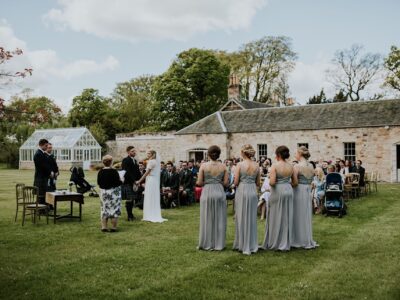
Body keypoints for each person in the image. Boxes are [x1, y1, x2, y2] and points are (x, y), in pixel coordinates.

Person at [261, 145, 296, 251]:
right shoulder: (291, 166)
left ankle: (275, 241)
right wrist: (286, 183)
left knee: (275, 215)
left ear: (278, 155)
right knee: (286, 215)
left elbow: (271, 182)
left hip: (278, 191)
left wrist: (274, 180)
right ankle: (285, 240)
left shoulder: (274, 166)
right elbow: (295, 182)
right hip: (288, 190)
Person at [197, 145, 229, 251]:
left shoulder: (203, 166)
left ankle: (207, 242)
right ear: (219, 154)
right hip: (219, 191)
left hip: (207, 192)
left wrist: (207, 181)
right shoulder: (224, 166)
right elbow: (226, 183)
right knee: (220, 218)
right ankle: (219, 243)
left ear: (208, 154)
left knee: (207, 217)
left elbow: (199, 182)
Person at [232, 144, 261, 255]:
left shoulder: (239, 165)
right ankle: (251, 243)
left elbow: (235, 182)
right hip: (252, 190)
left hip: (242, 190)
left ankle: (242, 244)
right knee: (251, 217)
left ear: (243, 153)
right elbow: (258, 183)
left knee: (241, 216)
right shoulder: (257, 165)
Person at [292, 146, 319, 249]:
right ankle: (305, 238)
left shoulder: (297, 166)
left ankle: (298, 239)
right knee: (305, 214)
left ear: (300, 154)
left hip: (298, 191)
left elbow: (294, 183)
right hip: (307, 191)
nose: (295, 155)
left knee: (298, 214)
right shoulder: (311, 166)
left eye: (296, 153)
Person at [136, 150, 167, 223]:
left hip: (151, 180)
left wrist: (139, 181)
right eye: (147, 153)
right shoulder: (156, 162)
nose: (147, 154)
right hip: (154, 181)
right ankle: (152, 213)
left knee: (150, 196)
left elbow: (146, 173)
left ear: (153, 154)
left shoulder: (151, 162)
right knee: (153, 196)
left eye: (149, 153)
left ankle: (150, 215)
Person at [97, 155, 122, 232]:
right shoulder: (114, 172)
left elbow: (99, 183)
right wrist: (122, 180)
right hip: (113, 193)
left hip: (104, 193)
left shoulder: (100, 172)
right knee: (114, 209)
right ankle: (114, 227)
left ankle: (104, 227)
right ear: (111, 162)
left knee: (104, 209)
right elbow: (118, 182)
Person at [121, 146, 141, 221]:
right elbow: (126, 172)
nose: (134, 152)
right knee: (129, 199)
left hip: (135, 182)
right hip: (128, 182)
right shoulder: (125, 160)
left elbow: (137, 172)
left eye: (134, 151)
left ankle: (131, 214)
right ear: (128, 152)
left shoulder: (135, 160)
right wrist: (133, 181)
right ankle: (129, 216)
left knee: (132, 199)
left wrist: (139, 180)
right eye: (132, 151)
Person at [33, 139, 52, 205]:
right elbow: (43, 167)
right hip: (40, 178)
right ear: (41, 145)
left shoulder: (41, 153)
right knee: (41, 195)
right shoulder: (38, 154)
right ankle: (40, 210)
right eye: (46, 146)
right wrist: (50, 173)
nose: (47, 147)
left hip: (42, 177)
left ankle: (43, 209)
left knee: (43, 194)